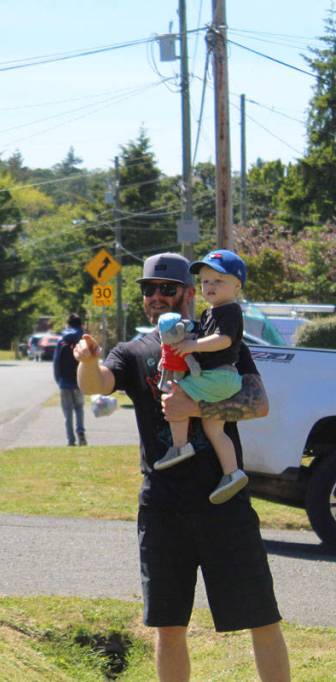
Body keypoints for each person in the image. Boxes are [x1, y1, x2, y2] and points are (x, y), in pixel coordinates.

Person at [73, 252, 289, 682]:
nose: (156, 296)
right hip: (163, 508)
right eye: (148, 289)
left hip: (222, 501)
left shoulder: (221, 342)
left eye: (166, 288)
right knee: (169, 626)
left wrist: (199, 404)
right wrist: (86, 361)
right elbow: (98, 386)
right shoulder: (133, 352)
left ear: (189, 294)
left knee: (260, 617)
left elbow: (258, 403)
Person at [154, 249, 249, 505]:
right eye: (206, 281)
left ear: (237, 286)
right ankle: (232, 472)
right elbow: (202, 332)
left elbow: (223, 340)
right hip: (219, 379)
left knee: (175, 392)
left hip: (220, 376)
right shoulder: (210, 313)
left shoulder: (230, 311)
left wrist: (192, 346)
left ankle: (180, 444)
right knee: (214, 429)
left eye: (219, 281)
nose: (210, 286)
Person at [52, 312, 87, 446]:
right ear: (81, 324)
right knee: (79, 408)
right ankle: (81, 432)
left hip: (65, 382)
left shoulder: (62, 341)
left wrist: (59, 380)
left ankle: (70, 439)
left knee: (67, 411)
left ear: (68, 324)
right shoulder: (83, 339)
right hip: (80, 380)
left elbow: (56, 362)